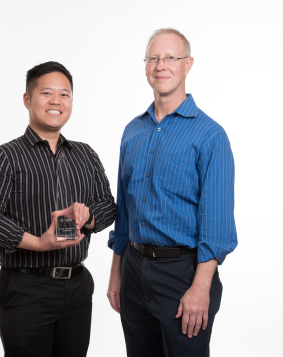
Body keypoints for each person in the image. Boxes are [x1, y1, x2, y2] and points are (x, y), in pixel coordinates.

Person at [107, 28, 237, 357]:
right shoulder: (132, 131)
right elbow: (125, 212)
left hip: (183, 274)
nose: (160, 65)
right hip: (133, 270)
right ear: (146, 66)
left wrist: (201, 287)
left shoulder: (210, 135)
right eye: (153, 58)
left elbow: (217, 224)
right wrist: (116, 273)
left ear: (187, 65)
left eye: (170, 58)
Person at [0, 61, 116, 357]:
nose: (56, 101)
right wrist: (38, 243)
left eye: (64, 95)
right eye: (46, 93)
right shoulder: (2, 157)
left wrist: (88, 218)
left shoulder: (85, 154)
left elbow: (108, 205)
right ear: (27, 99)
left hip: (77, 285)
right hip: (26, 287)